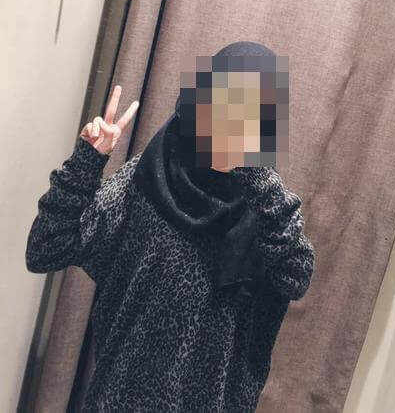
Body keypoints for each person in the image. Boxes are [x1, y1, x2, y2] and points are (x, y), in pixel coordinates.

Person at [26, 41, 315, 412]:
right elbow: (46, 249)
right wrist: (88, 160)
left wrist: (257, 177)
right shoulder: (150, 177)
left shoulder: (268, 209)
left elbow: (295, 276)